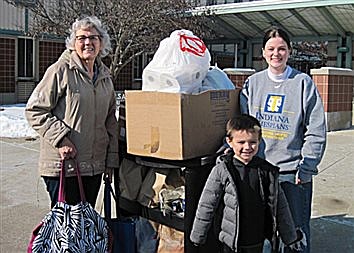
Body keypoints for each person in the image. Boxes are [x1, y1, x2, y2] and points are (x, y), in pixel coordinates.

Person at [240, 28, 327, 253]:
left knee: (296, 232)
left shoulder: (302, 83)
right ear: (263, 52)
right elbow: (244, 129)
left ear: (289, 51)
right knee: (262, 230)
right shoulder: (253, 84)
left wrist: (306, 167)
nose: (276, 54)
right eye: (271, 49)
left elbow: (316, 129)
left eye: (281, 49)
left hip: (293, 173)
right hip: (260, 171)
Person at [25, 16, 119, 208]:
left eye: (93, 38)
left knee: (85, 226)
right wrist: (61, 138)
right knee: (66, 229)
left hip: (94, 167)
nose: (87, 42)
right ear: (73, 43)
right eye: (81, 38)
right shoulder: (60, 70)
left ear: (101, 43)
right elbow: (35, 110)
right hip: (64, 166)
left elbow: (110, 121)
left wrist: (111, 160)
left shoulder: (105, 77)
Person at [190, 114, 305, 253]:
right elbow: (207, 204)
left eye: (252, 142)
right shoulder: (222, 170)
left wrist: (290, 238)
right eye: (241, 142)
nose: (247, 147)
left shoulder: (267, 171)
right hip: (232, 243)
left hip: (259, 240)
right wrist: (198, 236)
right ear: (230, 141)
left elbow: (280, 206)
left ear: (259, 141)